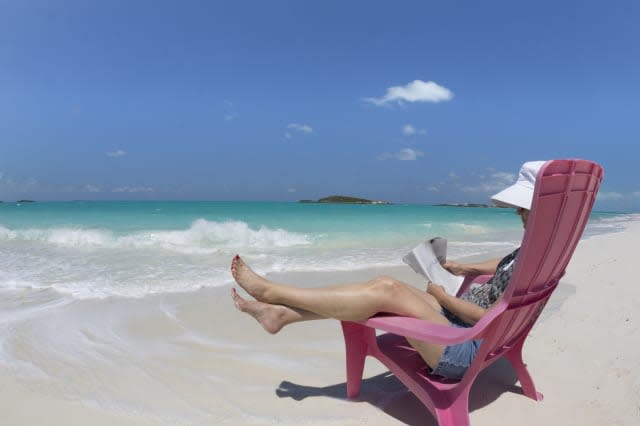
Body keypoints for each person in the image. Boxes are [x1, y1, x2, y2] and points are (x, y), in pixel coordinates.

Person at [231, 161, 546, 380]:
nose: (518, 211)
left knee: (385, 291)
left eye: (524, 206)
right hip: (465, 328)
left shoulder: (534, 257)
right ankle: (280, 315)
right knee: (383, 285)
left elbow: (488, 320)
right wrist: (466, 267)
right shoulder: (541, 251)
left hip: (463, 350)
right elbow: (508, 264)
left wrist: (442, 296)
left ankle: (272, 293)